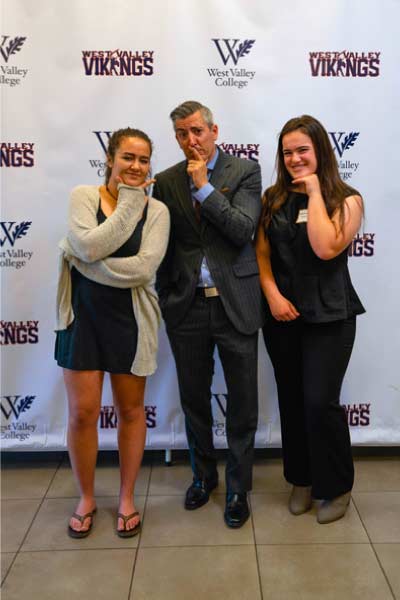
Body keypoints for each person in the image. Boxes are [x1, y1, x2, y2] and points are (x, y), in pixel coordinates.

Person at [153, 100, 264, 528]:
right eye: (181, 133)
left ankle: (238, 487)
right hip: (188, 307)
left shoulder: (245, 171)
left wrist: (203, 187)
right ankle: (203, 477)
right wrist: (168, 297)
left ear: (214, 131)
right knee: (193, 398)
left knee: (242, 403)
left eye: (197, 130)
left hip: (236, 302)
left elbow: (241, 230)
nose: (190, 140)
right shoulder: (164, 181)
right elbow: (165, 248)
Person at [55, 127, 170, 538]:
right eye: (128, 158)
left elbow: (142, 269)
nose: (136, 166)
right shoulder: (83, 197)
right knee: (83, 414)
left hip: (131, 322)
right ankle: (85, 497)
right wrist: (88, 250)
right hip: (81, 320)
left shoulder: (156, 211)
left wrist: (87, 258)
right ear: (110, 158)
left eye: (143, 160)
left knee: (131, 412)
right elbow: (86, 246)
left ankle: (125, 498)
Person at [255, 115, 365, 524]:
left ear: (320, 150)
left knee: (320, 402)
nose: (295, 158)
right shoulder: (272, 199)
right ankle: (300, 480)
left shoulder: (348, 199)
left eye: (303, 150)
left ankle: (336, 488)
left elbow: (324, 247)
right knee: (293, 401)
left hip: (330, 316)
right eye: (287, 152)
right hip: (282, 315)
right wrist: (272, 295)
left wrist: (316, 190)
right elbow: (262, 255)